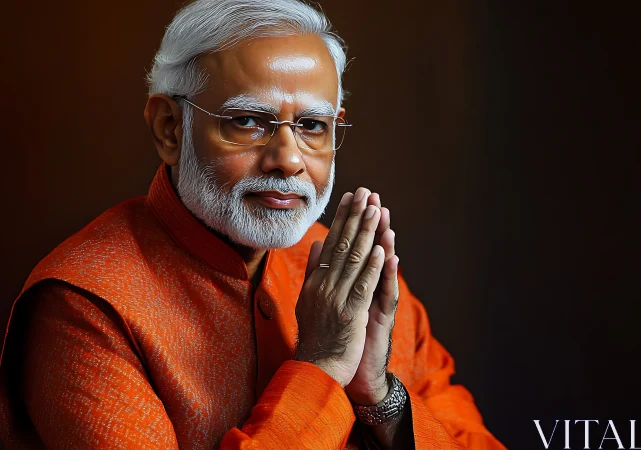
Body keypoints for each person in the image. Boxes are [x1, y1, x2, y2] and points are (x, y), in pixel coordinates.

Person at [0, 0, 505, 448]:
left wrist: (380, 398)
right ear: (170, 128)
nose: (288, 159)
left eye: (312, 126)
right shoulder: (84, 306)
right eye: (246, 121)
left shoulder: (353, 277)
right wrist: (324, 366)